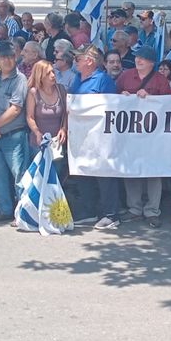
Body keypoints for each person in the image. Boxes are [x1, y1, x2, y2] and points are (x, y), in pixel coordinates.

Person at [116, 45, 171, 228]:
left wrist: (151, 98)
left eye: (144, 58)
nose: (138, 60)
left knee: (153, 171)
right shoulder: (125, 76)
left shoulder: (160, 80)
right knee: (131, 169)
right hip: (130, 133)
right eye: (138, 57)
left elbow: (169, 105)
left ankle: (152, 210)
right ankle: (134, 208)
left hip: (153, 134)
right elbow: (114, 99)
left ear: (152, 63)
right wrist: (123, 96)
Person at [70, 45, 121, 229]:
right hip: (80, 135)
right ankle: (88, 210)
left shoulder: (103, 80)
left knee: (104, 174)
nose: (74, 62)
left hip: (100, 136)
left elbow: (110, 107)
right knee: (83, 172)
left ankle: (111, 214)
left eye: (78, 59)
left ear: (89, 61)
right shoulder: (76, 78)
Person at [0, 41, 30, 223]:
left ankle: (24, 213)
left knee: (19, 176)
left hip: (14, 134)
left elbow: (15, 109)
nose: (8, 60)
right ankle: (5, 210)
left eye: (11, 56)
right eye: (4, 57)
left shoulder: (20, 79)